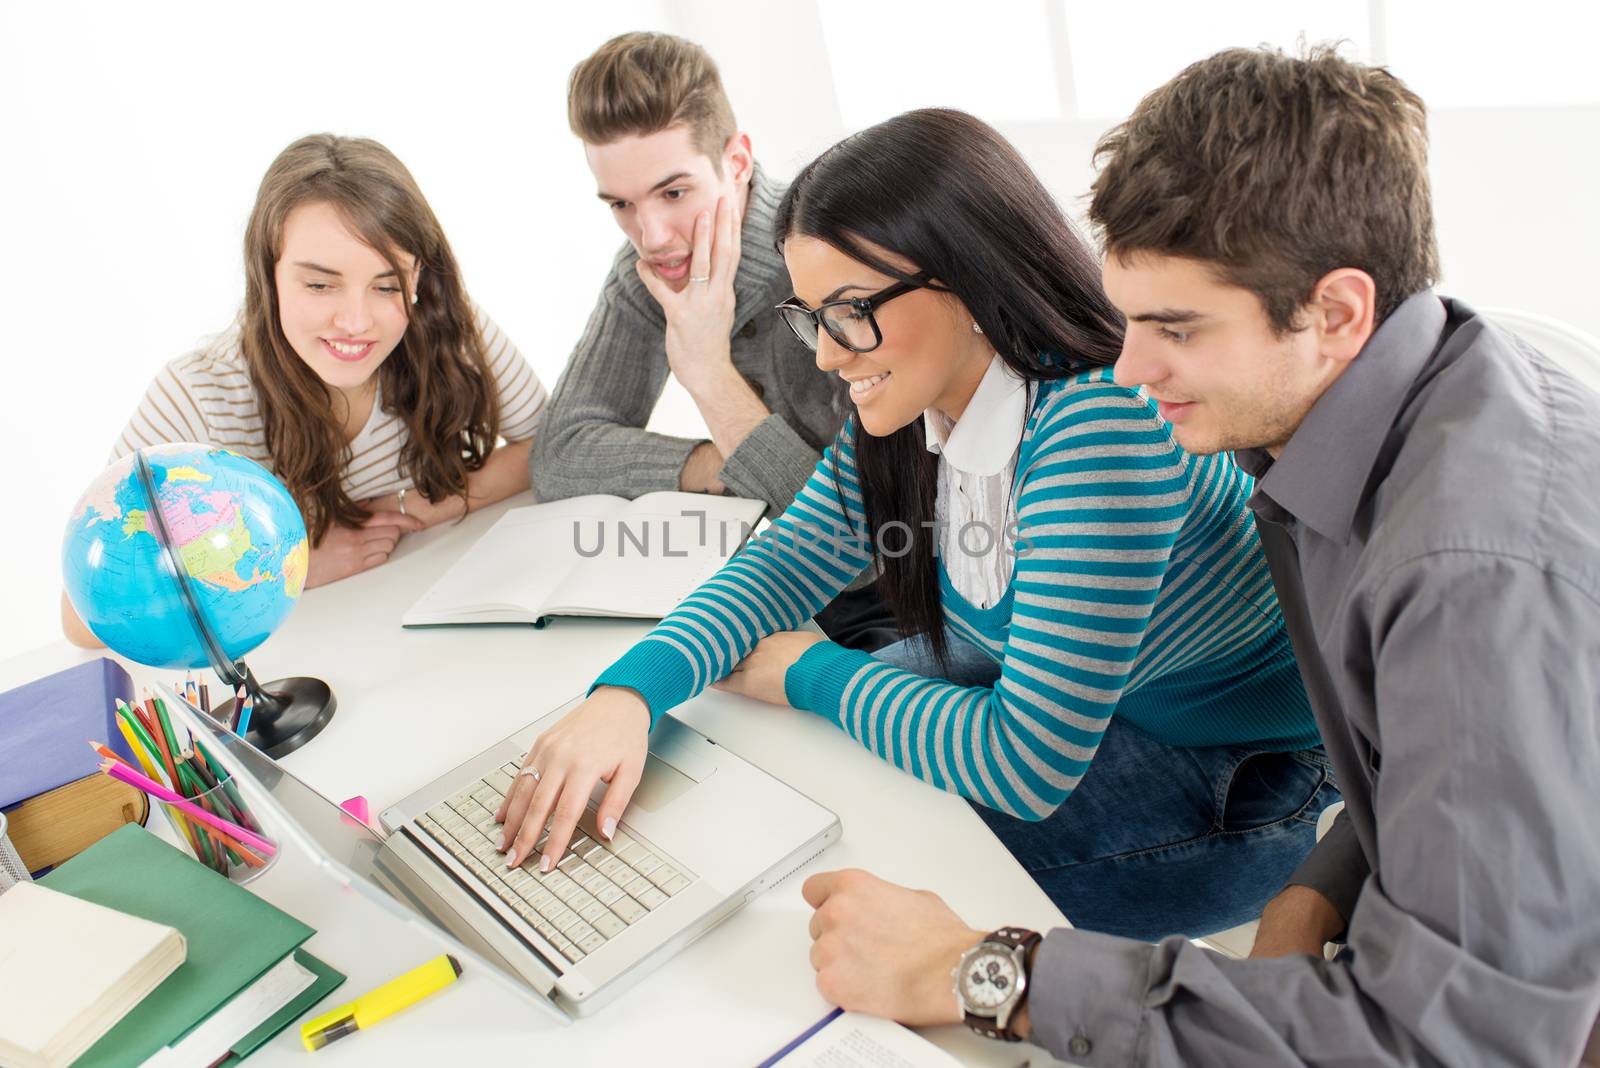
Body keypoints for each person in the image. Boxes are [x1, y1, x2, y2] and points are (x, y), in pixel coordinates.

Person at [798, 47, 1600, 1067]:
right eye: (1127, 315)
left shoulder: (1466, 578)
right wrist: (1320, 887)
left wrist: (984, 972)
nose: (1130, 368)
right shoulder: (1397, 395)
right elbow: (1429, 763)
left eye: (1174, 327)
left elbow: (1445, 1040)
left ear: (1337, 311)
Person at [497, 108, 1338, 943]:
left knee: (840, 881)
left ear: (971, 281)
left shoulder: (1098, 430)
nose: (827, 354)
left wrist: (810, 673)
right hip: (1101, 703)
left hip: (1238, 773)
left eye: (851, 310)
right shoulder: (912, 406)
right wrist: (626, 692)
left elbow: (1024, 763)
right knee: (807, 773)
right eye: (811, 315)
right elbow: (784, 564)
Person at [63, 133, 547, 645]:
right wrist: (296, 568)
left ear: (418, 276)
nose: (357, 322)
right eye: (319, 285)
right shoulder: (199, 394)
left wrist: (410, 508)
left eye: (386, 286)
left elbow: (547, 446)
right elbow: (84, 618)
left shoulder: (448, 326)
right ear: (266, 275)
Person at [529, 31, 897, 652]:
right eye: (621, 203)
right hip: (781, 584)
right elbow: (559, 454)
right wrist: (716, 466)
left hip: (909, 599)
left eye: (674, 193)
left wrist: (708, 373)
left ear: (737, 162)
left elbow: (861, 556)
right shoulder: (649, 270)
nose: (651, 235)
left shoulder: (837, 260)